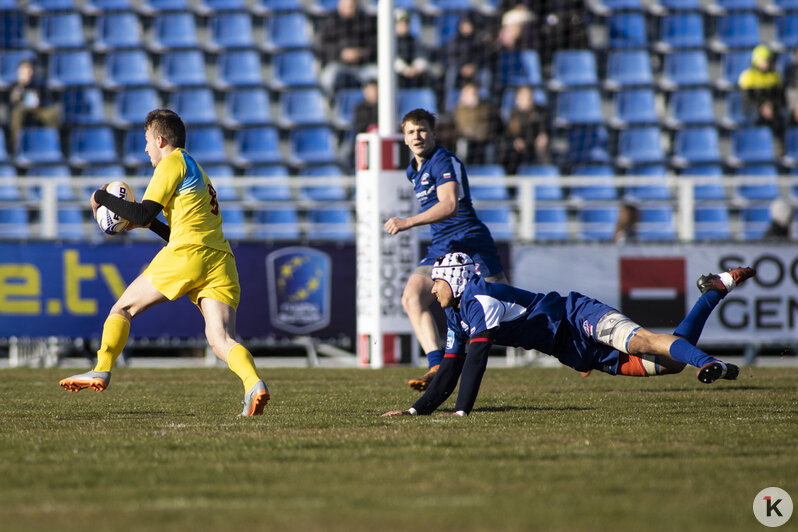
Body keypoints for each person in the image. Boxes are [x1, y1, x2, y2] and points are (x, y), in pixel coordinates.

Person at [59, 109, 270, 417]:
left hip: (188, 253)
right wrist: (140, 222)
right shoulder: (194, 168)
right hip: (220, 258)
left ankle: (101, 369)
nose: (145, 149)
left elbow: (144, 213)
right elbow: (163, 225)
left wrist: (99, 197)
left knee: (123, 309)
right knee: (221, 338)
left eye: (146, 141)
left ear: (159, 139)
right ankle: (254, 385)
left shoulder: (171, 163)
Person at [382, 252, 755, 417]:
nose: (432, 290)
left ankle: (709, 363)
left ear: (456, 279)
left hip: (576, 316)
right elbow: (450, 367)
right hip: (567, 347)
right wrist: (417, 411)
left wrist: (462, 411)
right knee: (669, 366)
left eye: (437, 282)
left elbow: (477, 361)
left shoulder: (481, 298)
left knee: (641, 340)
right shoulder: (456, 313)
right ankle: (715, 291)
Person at [384, 109, 508, 391]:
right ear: (404, 138)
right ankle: (437, 364)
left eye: (423, 130)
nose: (417, 136)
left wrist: (408, 222)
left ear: (434, 134)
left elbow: (450, 205)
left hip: (471, 244)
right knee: (411, 297)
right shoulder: (413, 170)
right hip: (442, 247)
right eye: (411, 131)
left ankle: (576, 345)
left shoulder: (443, 160)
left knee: (506, 314)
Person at [317, 0, 378, 95]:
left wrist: (362, 53)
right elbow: (324, 46)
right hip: (339, 64)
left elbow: (375, 43)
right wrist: (340, 53)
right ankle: (332, 104)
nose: (350, 8)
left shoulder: (366, 21)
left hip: (364, 65)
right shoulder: (331, 21)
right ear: (340, 5)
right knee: (327, 78)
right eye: (347, 5)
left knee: (384, 76)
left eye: (352, 5)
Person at [8, 59, 60, 153]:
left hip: (37, 109)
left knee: (51, 114)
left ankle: (53, 143)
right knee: (17, 114)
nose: (27, 73)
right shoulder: (14, 85)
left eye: (29, 70)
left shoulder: (38, 85)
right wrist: (21, 86)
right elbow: (13, 102)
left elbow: (43, 100)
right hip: (22, 110)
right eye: (24, 71)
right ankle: (15, 146)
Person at [498, 85, 549, 174]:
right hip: (519, 149)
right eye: (524, 97)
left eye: (529, 96)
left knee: (543, 149)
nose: (527, 100)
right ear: (517, 99)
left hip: (534, 145)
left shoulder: (540, 112)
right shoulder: (512, 115)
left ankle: (545, 175)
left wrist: (543, 135)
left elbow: (544, 128)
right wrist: (515, 141)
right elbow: (508, 134)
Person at [738, 44, 784, 135]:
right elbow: (748, 100)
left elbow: (779, 97)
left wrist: (771, 106)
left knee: (781, 118)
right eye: (763, 60)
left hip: (770, 109)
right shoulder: (748, 76)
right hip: (754, 109)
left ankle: (779, 146)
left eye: (767, 60)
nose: (765, 63)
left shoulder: (775, 77)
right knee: (755, 117)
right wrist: (761, 107)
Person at [453, 82, 503, 164]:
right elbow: (461, 128)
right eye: (469, 93)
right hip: (469, 139)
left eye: (474, 93)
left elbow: (496, 123)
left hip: (487, 138)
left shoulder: (487, 107)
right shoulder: (460, 111)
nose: (473, 95)